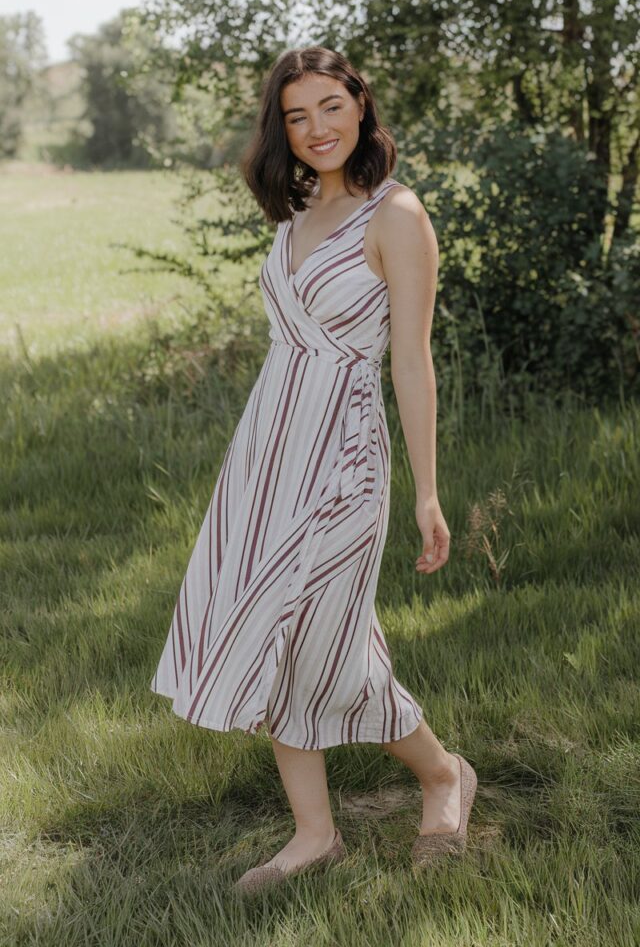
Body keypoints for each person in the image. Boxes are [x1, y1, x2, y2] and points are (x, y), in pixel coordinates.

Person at [150, 45, 477, 893]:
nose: (317, 127)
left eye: (331, 105)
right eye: (297, 115)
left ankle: (444, 775)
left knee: (328, 642)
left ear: (361, 106)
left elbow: (411, 361)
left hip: (344, 452)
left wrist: (428, 493)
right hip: (266, 447)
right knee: (270, 626)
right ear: (282, 130)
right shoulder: (294, 215)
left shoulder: (396, 215)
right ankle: (314, 835)